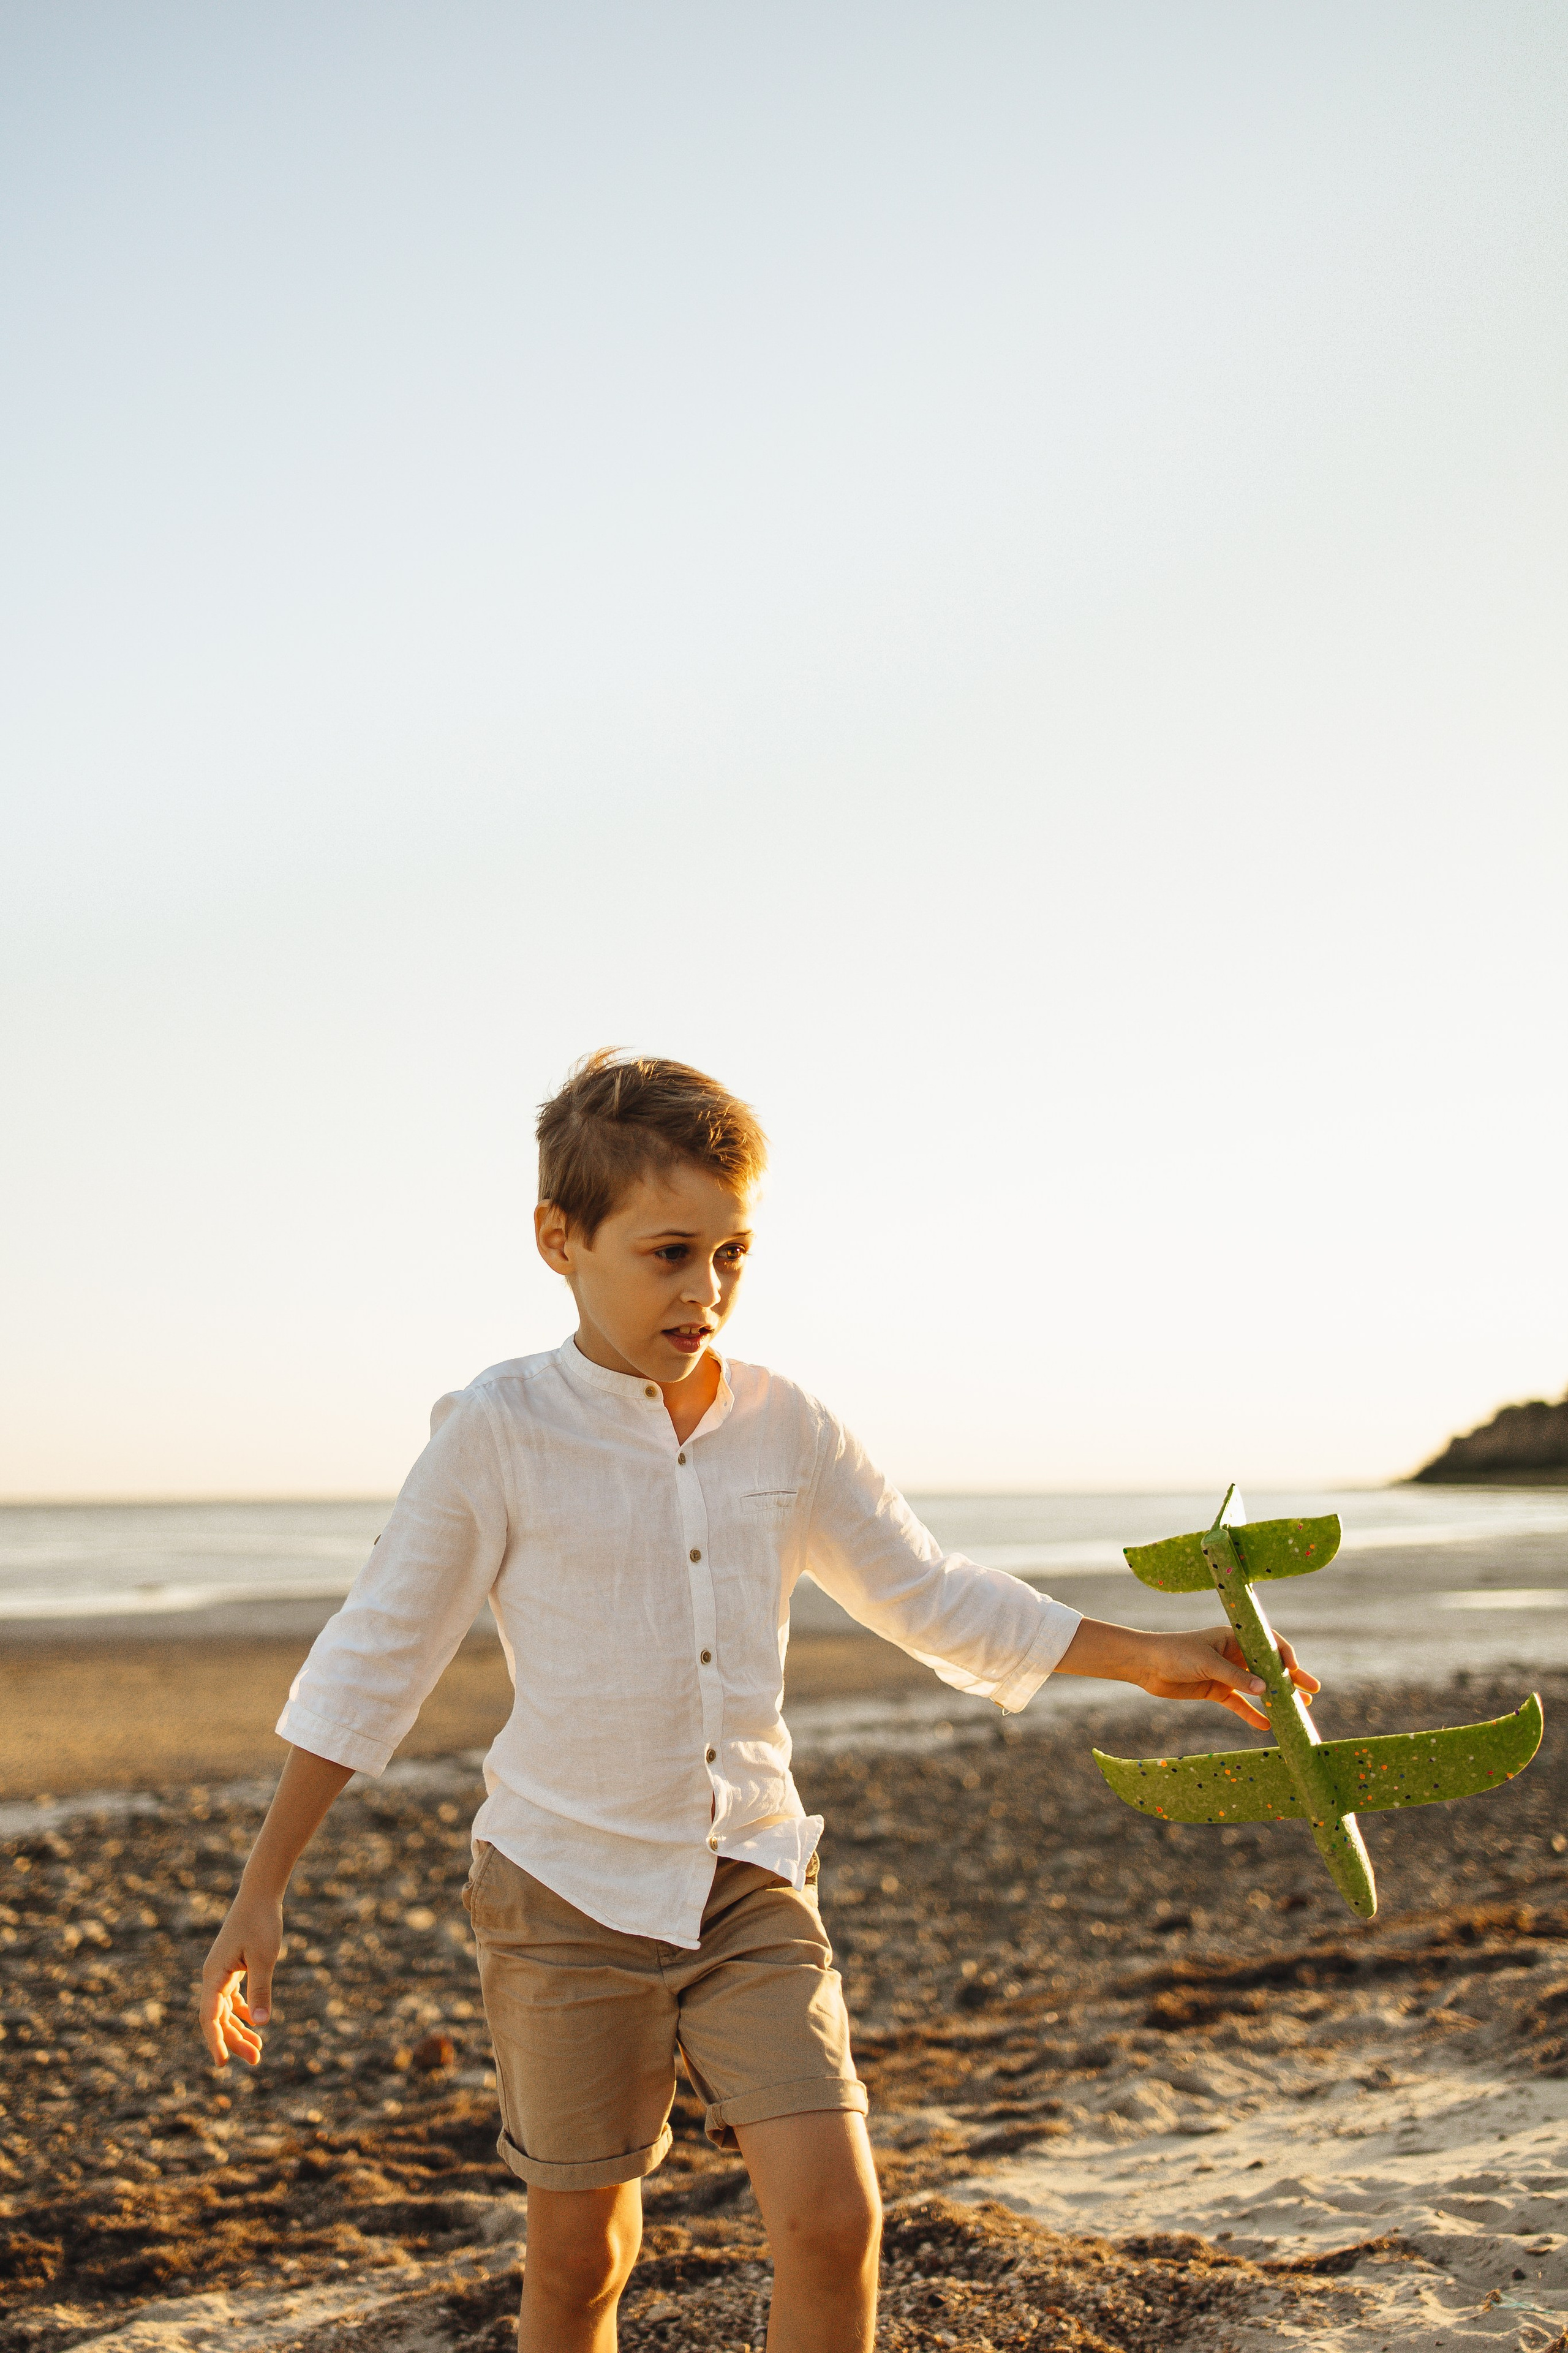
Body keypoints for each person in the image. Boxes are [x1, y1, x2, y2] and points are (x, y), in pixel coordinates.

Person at [198, 1049, 1318, 2353]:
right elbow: (375, 1652)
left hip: (746, 1877)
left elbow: (927, 1590)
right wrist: (262, 1886)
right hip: (560, 1894)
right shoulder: (498, 1430)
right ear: (560, 1239)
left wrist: (1149, 1655)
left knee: (835, 2220)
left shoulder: (788, 1426)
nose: (705, 1290)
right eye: (669, 1252)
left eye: (732, 1254)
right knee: (578, 2268)